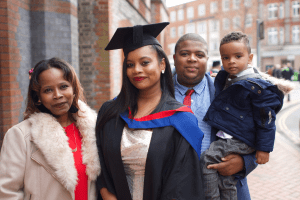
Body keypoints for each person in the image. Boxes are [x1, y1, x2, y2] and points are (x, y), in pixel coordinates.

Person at [96, 22, 205, 200]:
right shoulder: (110, 112)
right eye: (130, 64)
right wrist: (106, 193)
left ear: (162, 64)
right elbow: (98, 161)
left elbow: (184, 183)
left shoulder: (181, 119)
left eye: (145, 62)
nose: (136, 70)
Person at [0, 58, 101, 200]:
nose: (57, 95)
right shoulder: (20, 136)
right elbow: (7, 192)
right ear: (38, 97)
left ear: (73, 89)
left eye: (63, 86)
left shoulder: (94, 129)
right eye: (48, 90)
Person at [201, 31, 286, 200]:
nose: (231, 61)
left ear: (250, 57)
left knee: (207, 160)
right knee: (227, 180)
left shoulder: (256, 86)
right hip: (232, 136)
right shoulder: (226, 78)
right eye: (225, 57)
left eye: (238, 56)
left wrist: (264, 149)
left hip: (239, 139)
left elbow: (266, 119)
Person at [173, 33, 258, 200]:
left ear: (207, 59)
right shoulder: (157, 92)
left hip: (222, 185)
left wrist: (244, 162)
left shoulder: (230, 90)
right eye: (185, 54)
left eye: (199, 55)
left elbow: (257, 129)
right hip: (174, 188)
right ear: (174, 58)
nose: (192, 59)